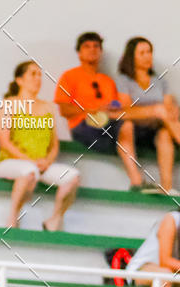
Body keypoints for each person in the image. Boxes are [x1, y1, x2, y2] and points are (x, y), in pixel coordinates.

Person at [54, 32, 146, 191]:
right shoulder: (69, 76)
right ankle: (137, 180)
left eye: (96, 46)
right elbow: (64, 109)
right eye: (87, 46)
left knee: (129, 124)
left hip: (107, 126)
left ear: (101, 52)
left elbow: (116, 109)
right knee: (124, 126)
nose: (92, 50)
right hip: (84, 127)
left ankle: (137, 182)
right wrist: (94, 109)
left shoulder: (108, 81)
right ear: (79, 52)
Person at [0, 60, 80, 230]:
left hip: (41, 165)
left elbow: (54, 144)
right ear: (20, 80)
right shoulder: (10, 104)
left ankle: (55, 219)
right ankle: (12, 218)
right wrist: (31, 161)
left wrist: (47, 161)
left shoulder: (48, 107)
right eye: (33, 74)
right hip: (11, 163)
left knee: (72, 176)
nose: (38, 78)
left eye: (40, 74)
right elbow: (4, 142)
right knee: (29, 172)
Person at [116, 37, 180, 195]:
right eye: (142, 53)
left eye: (149, 52)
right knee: (160, 110)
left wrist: (172, 109)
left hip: (158, 126)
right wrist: (154, 110)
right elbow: (126, 108)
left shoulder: (159, 81)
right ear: (132, 57)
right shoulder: (123, 80)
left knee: (165, 133)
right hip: (136, 127)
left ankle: (166, 187)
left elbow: (168, 105)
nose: (148, 56)